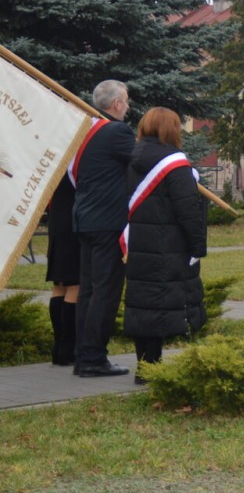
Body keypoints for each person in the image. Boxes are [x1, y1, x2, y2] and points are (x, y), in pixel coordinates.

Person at [123, 107, 207, 384]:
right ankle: (153, 369)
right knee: (160, 303)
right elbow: (188, 211)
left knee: (142, 304)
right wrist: (197, 246)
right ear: (172, 129)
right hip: (167, 245)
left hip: (137, 242)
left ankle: (144, 366)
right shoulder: (176, 164)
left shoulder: (130, 156)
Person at [72, 80, 134, 377]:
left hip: (85, 219)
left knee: (88, 291)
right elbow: (141, 161)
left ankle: (83, 354)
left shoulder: (87, 130)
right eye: (127, 100)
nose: (128, 106)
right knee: (105, 292)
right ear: (117, 104)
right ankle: (93, 358)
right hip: (108, 222)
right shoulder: (116, 131)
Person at [46, 174, 80, 366]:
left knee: (59, 285)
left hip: (57, 219)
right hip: (72, 223)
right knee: (74, 285)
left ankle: (59, 348)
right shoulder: (74, 162)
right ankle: (68, 349)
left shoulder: (56, 162)